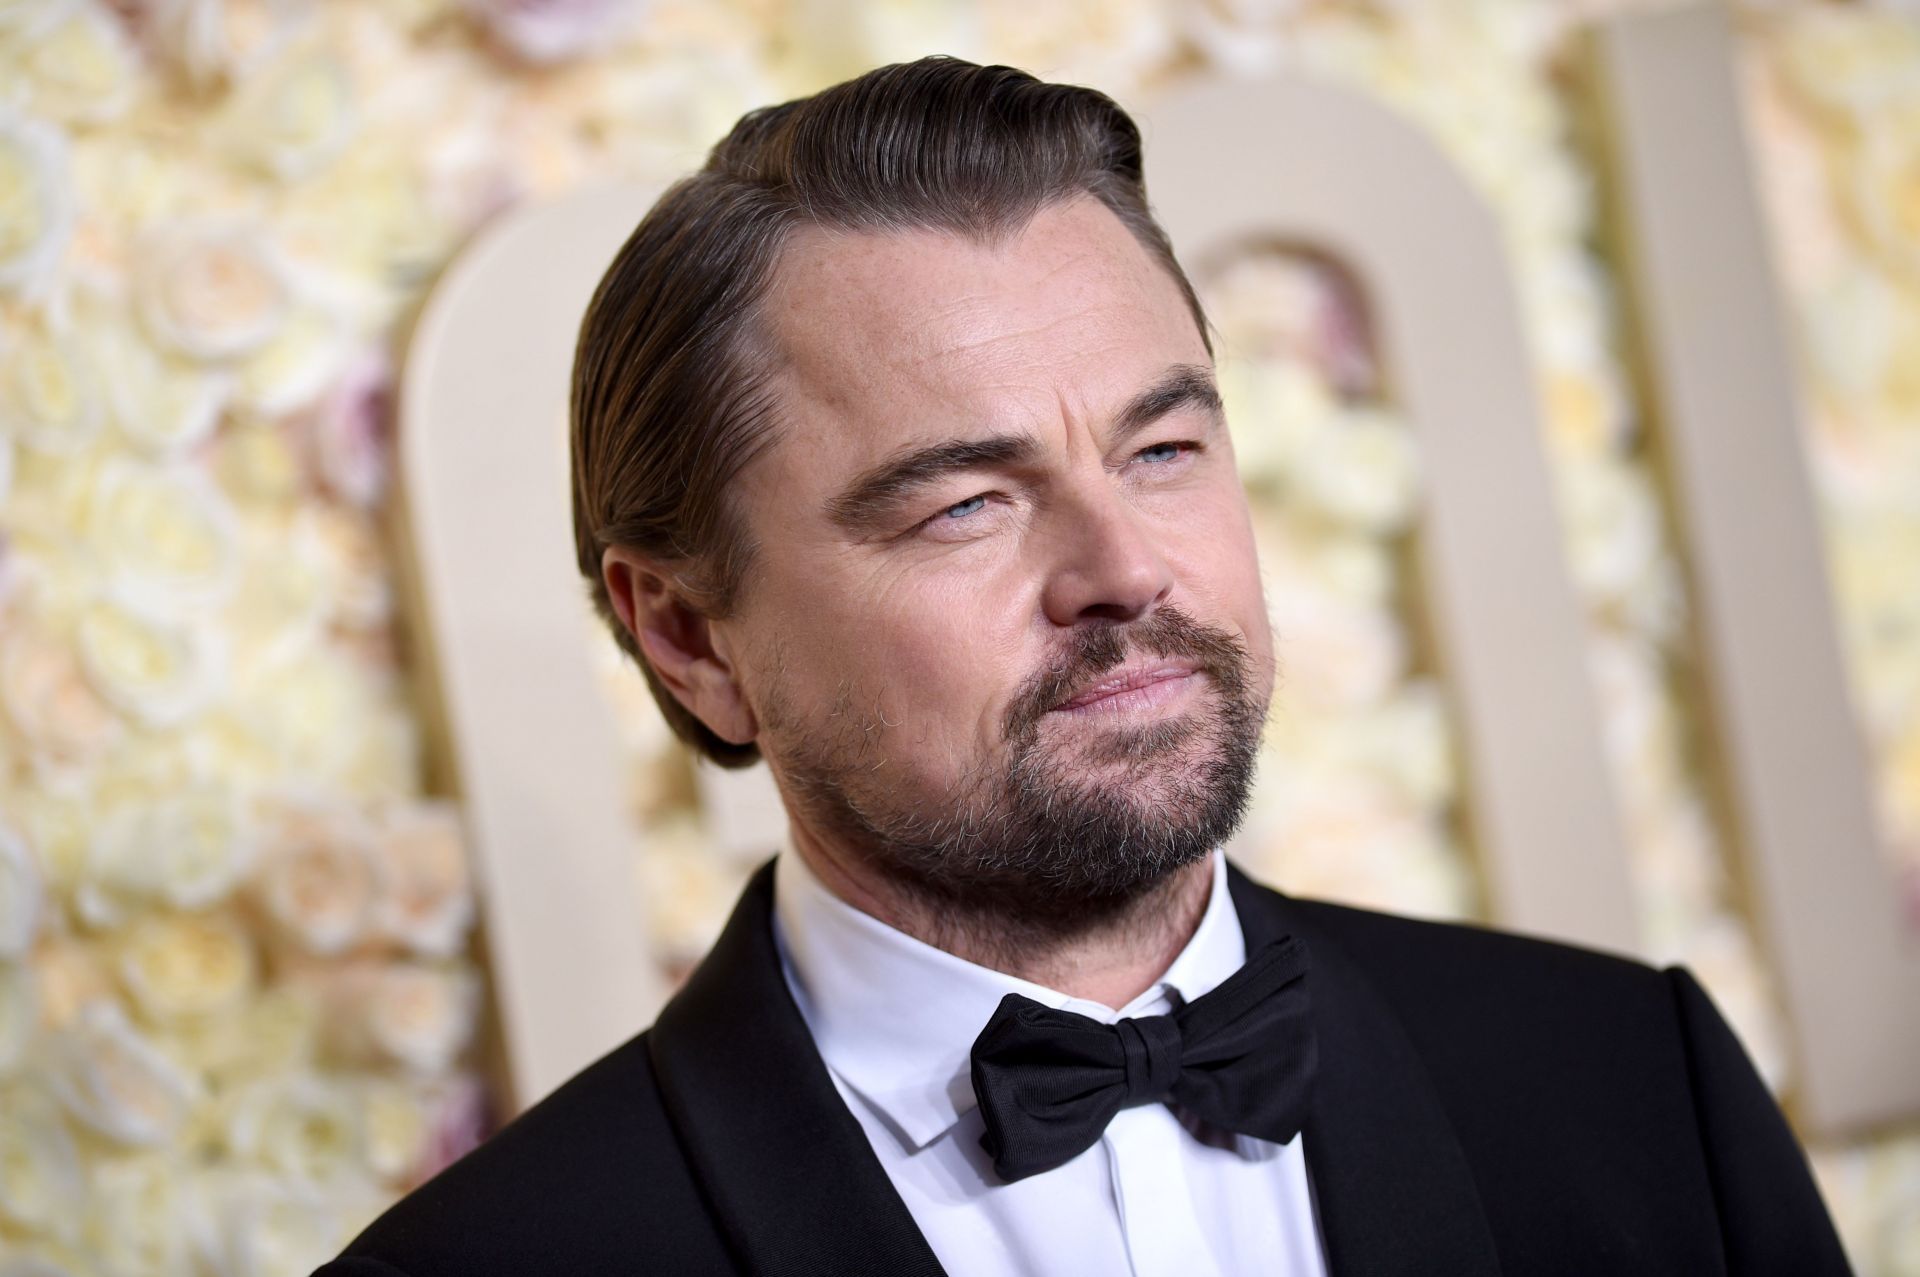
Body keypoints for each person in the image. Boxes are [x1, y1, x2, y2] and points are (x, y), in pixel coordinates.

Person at [316, 57, 1850, 1277]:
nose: (1125, 570)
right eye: (966, 501)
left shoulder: (1639, 1085)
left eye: (1164, 446)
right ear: (691, 636)